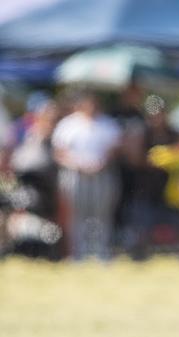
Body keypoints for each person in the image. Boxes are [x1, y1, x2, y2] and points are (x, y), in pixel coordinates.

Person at [52, 90, 122, 260]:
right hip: (75, 174)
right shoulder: (68, 124)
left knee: (102, 213)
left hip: (101, 174)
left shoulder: (107, 124)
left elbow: (114, 149)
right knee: (76, 215)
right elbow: (59, 152)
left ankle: (101, 252)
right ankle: (77, 254)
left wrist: (100, 163)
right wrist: (77, 163)